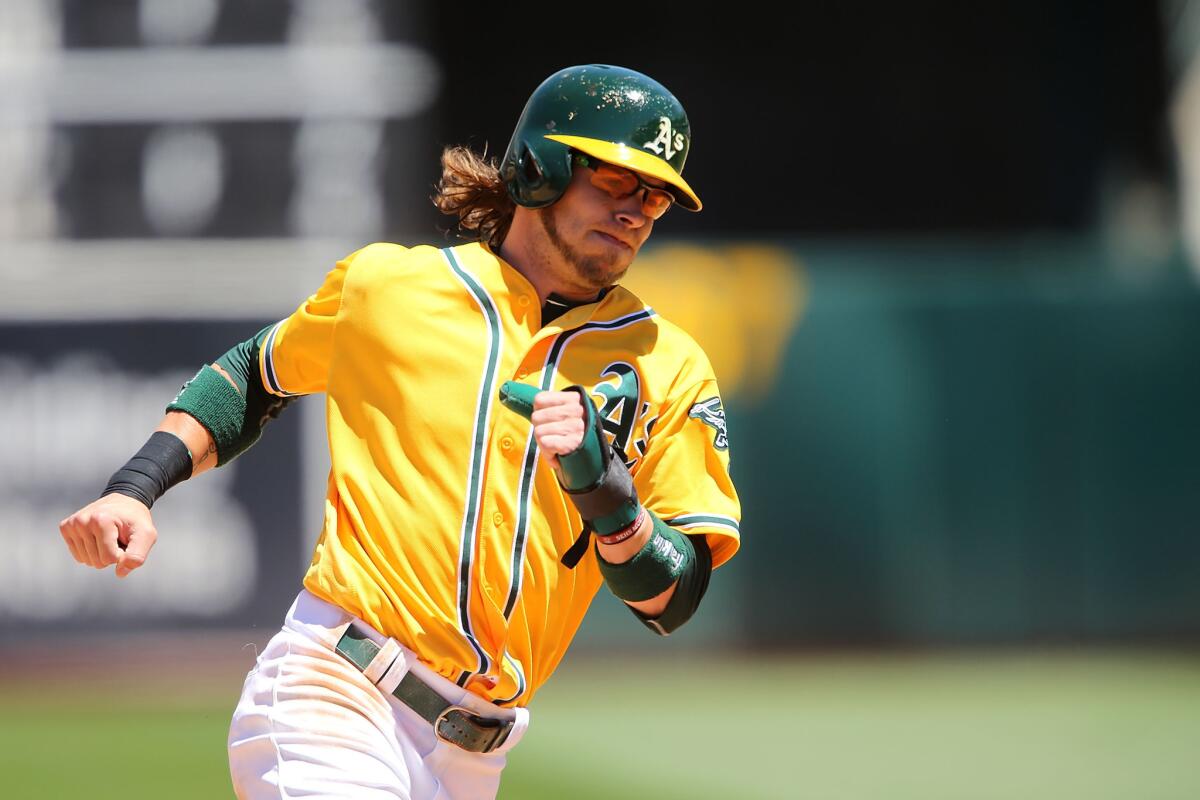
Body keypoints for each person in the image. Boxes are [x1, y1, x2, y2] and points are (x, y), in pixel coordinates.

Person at [59, 63, 741, 799]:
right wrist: (136, 487)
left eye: (656, 194)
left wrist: (610, 500)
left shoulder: (667, 364)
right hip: (337, 690)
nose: (636, 209)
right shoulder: (391, 289)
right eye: (613, 181)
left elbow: (674, 599)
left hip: (475, 757)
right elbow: (255, 374)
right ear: (540, 167)